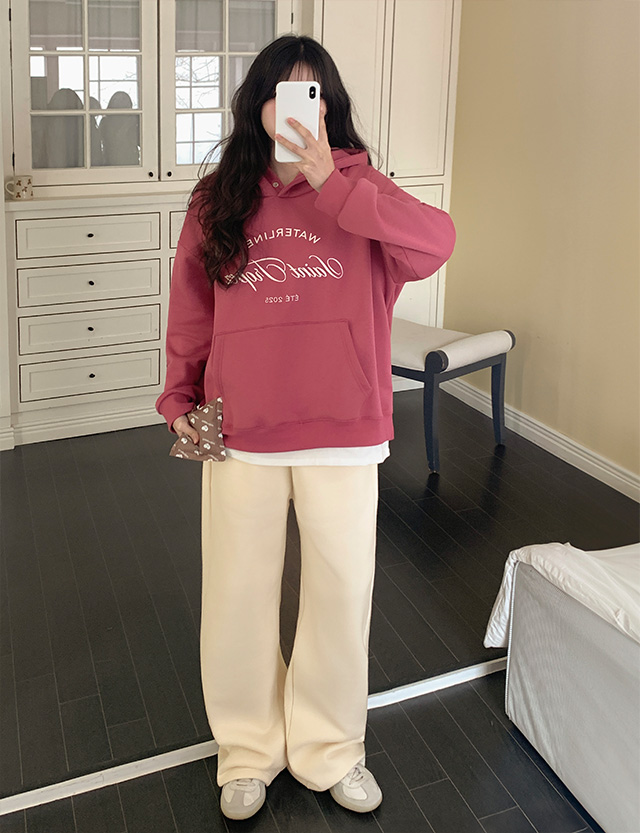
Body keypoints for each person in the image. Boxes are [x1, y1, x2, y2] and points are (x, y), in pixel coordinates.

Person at [155, 34, 455, 822]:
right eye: (280, 92)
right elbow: (192, 310)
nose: (294, 108)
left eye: (310, 93)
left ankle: (332, 748)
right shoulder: (218, 197)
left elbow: (438, 242)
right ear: (256, 104)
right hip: (240, 430)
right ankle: (247, 750)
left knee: (340, 594)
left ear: (329, 108)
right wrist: (178, 396)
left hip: (345, 430)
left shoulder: (363, 189)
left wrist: (331, 182)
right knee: (236, 595)